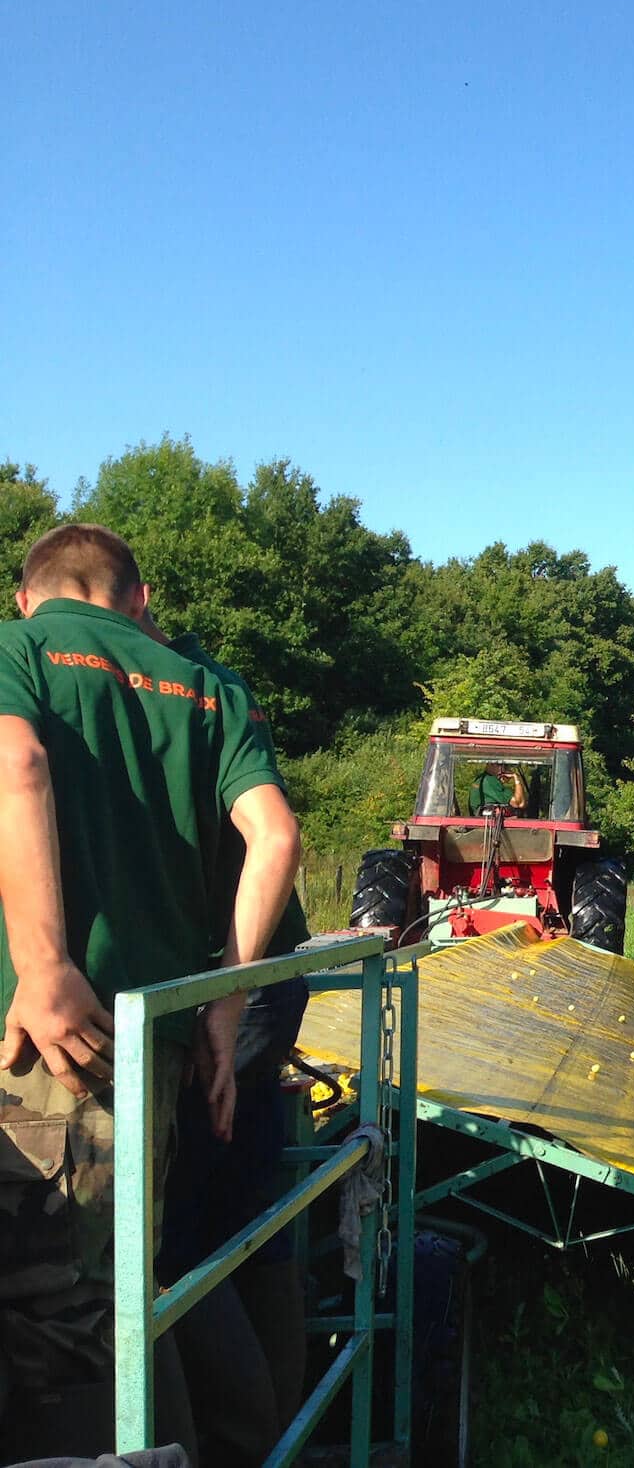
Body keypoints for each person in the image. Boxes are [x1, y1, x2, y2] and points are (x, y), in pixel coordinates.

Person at [0, 525, 301, 1460]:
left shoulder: (21, 650)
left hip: (49, 1047)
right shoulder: (207, 685)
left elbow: (18, 765)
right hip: (151, 1044)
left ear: (28, 597)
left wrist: (45, 966)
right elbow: (277, 838)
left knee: (57, 1332)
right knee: (126, 1293)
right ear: (139, 598)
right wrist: (223, 1006)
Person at [145, 614, 312, 1468]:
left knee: (181, 1231)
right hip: (251, 983)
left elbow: (273, 835)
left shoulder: (172, 690)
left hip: (226, 983)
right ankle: (275, 1422)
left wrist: (225, 995)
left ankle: (234, 1439)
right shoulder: (211, 683)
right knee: (245, 1200)